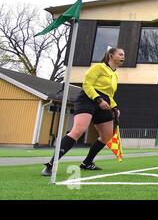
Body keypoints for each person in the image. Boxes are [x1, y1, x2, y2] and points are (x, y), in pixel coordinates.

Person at [41, 47, 125, 176]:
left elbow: (109, 94)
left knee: (107, 135)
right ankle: (51, 164)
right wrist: (98, 99)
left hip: (104, 102)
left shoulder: (115, 73)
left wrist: (115, 108)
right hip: (87, 99)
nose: (123, 56)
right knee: (78, 130)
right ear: (111, 55)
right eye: (120, 54)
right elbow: (87, 84)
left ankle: (87, 163)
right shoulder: (98, 67)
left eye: (123, 54)